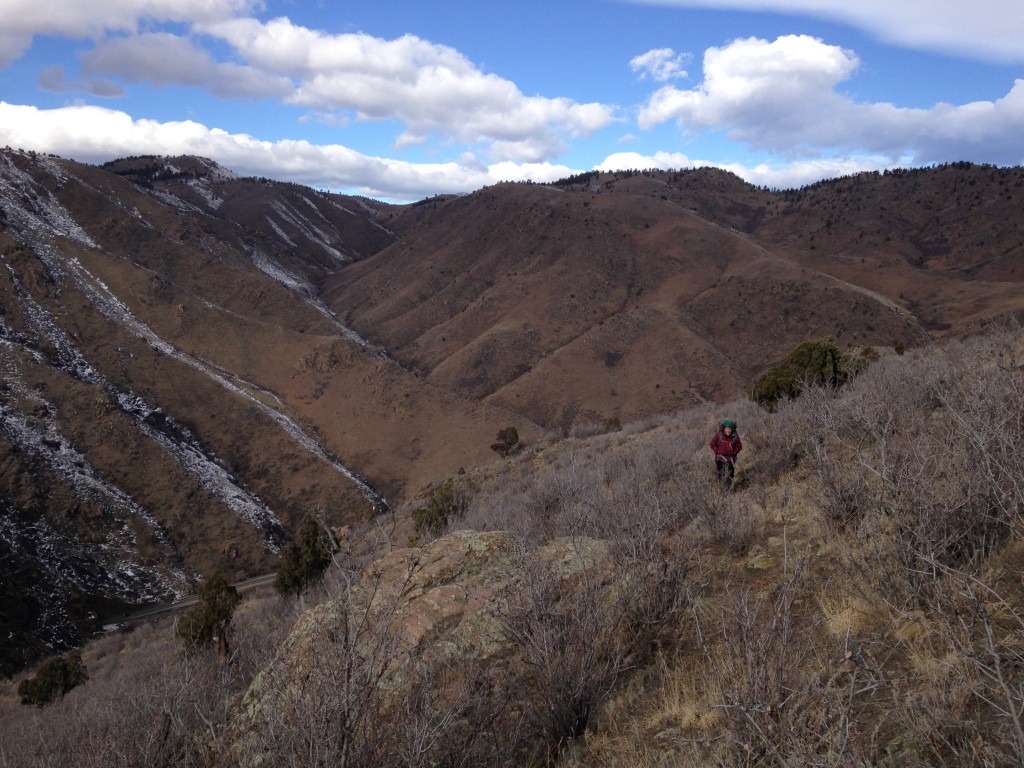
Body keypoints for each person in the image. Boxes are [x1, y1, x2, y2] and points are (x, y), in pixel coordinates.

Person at [710, 419, 742, 487]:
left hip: (731, 458)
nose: (728, 431)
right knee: (720, 473)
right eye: (726, 429)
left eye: (729, 429)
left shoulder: (735, 437)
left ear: (732, 429)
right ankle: (721, 487)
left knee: (730, 474)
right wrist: (717, 451)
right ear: (724, 429)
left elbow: (739, 446)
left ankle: (727, 489)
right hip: (720, 458)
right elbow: (712, 444)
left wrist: (734, 452)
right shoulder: (719, 435)